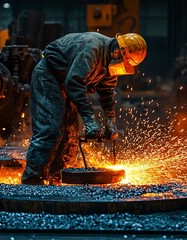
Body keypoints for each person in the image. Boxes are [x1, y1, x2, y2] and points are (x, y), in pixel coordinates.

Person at [22, 32, 147, 185]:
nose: (123, 67)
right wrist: (90, 121)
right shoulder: (92, 48)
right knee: (51, 130)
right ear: (119, 52)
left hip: (67, 83)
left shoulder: (110, 63)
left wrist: (110, 120)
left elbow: (107, 93)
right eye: (125, 62)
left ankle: (57, 179)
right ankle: (32, 181)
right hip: (49, 77)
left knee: (70, 137)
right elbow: (74, 83)